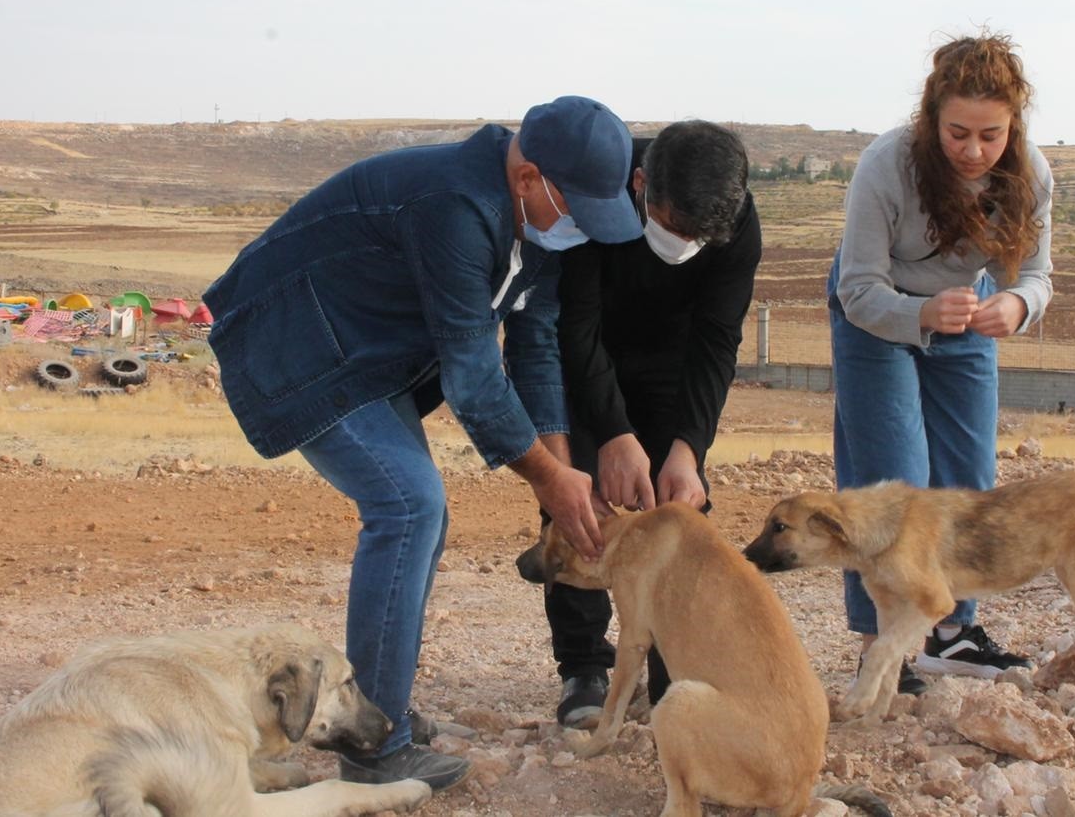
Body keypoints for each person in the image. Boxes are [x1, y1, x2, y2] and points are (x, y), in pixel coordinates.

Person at [202, 96, 642, 792]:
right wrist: (549, 481)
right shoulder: (455, 206)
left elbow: (535, 344)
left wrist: (562, 471)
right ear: (528, 178)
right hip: (300, 348)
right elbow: (472, 377)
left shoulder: (535, 226)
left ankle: (381, 711)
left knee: (418, 515)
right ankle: (374, 751)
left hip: (365, 355)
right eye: (578, 207)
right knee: (409, 506)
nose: (584, 227)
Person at [828, 33, 1054, 690]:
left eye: (992, 135)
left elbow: (1037, 276)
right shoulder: (886, 165)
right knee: (890, 488)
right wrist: (918, 315)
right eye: (958, 133)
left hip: (967, 316)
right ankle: (882, 648)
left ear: (1013, 126)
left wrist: (1015, 306)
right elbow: (858, 288)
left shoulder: (1031, 173)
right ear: (931, 118)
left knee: (967, 481)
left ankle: (952, 636)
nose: (976, 152)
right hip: (876, 314)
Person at [543, 120, 761, 727]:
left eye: (701, 238)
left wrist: (688, 447)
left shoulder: (735, 220)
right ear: (641, 185)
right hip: (591, 355)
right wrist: (613, 433)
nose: (687, 245)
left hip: (672, 367)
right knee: (579, 504)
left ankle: (676, 675)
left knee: (680, 517)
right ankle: (584, 665)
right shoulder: (598, 189)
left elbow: (718, 341)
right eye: (675, 228)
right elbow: (574, 326)